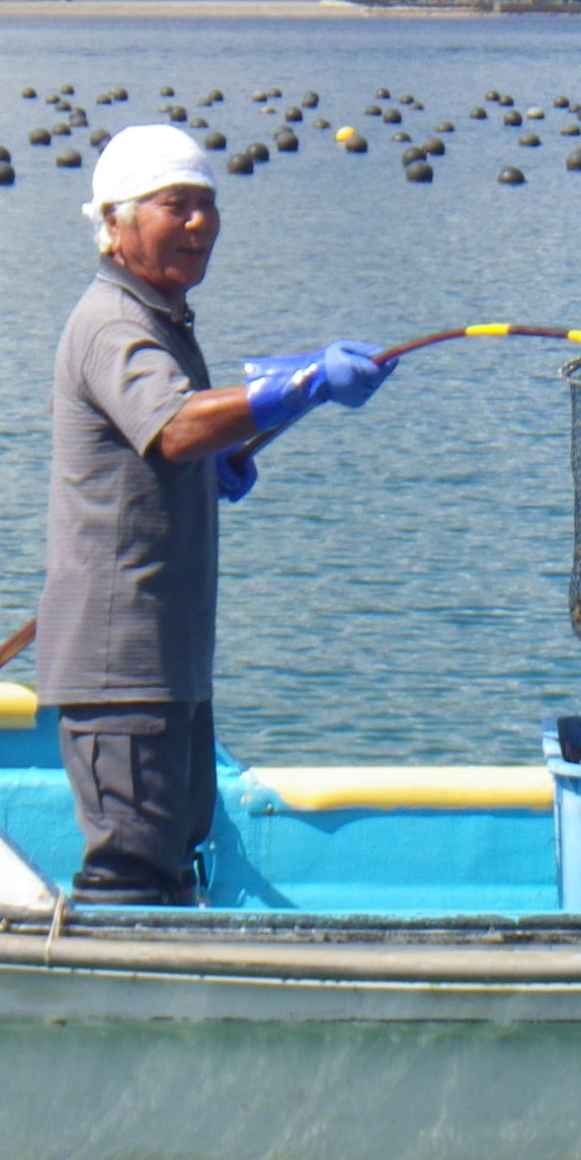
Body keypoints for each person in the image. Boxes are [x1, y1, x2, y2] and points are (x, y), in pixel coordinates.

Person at [36, 123, 392, 907]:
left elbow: (175, 443)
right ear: (116, 223)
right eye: (176, 205)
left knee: (176, 843)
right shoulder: (113, 323)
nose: (200, 223)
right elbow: (174, 428)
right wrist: (303, 384)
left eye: (208, 204)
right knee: (132, 868)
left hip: (168, 656)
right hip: (121, 663)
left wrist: (218, 460)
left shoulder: (160, 321)